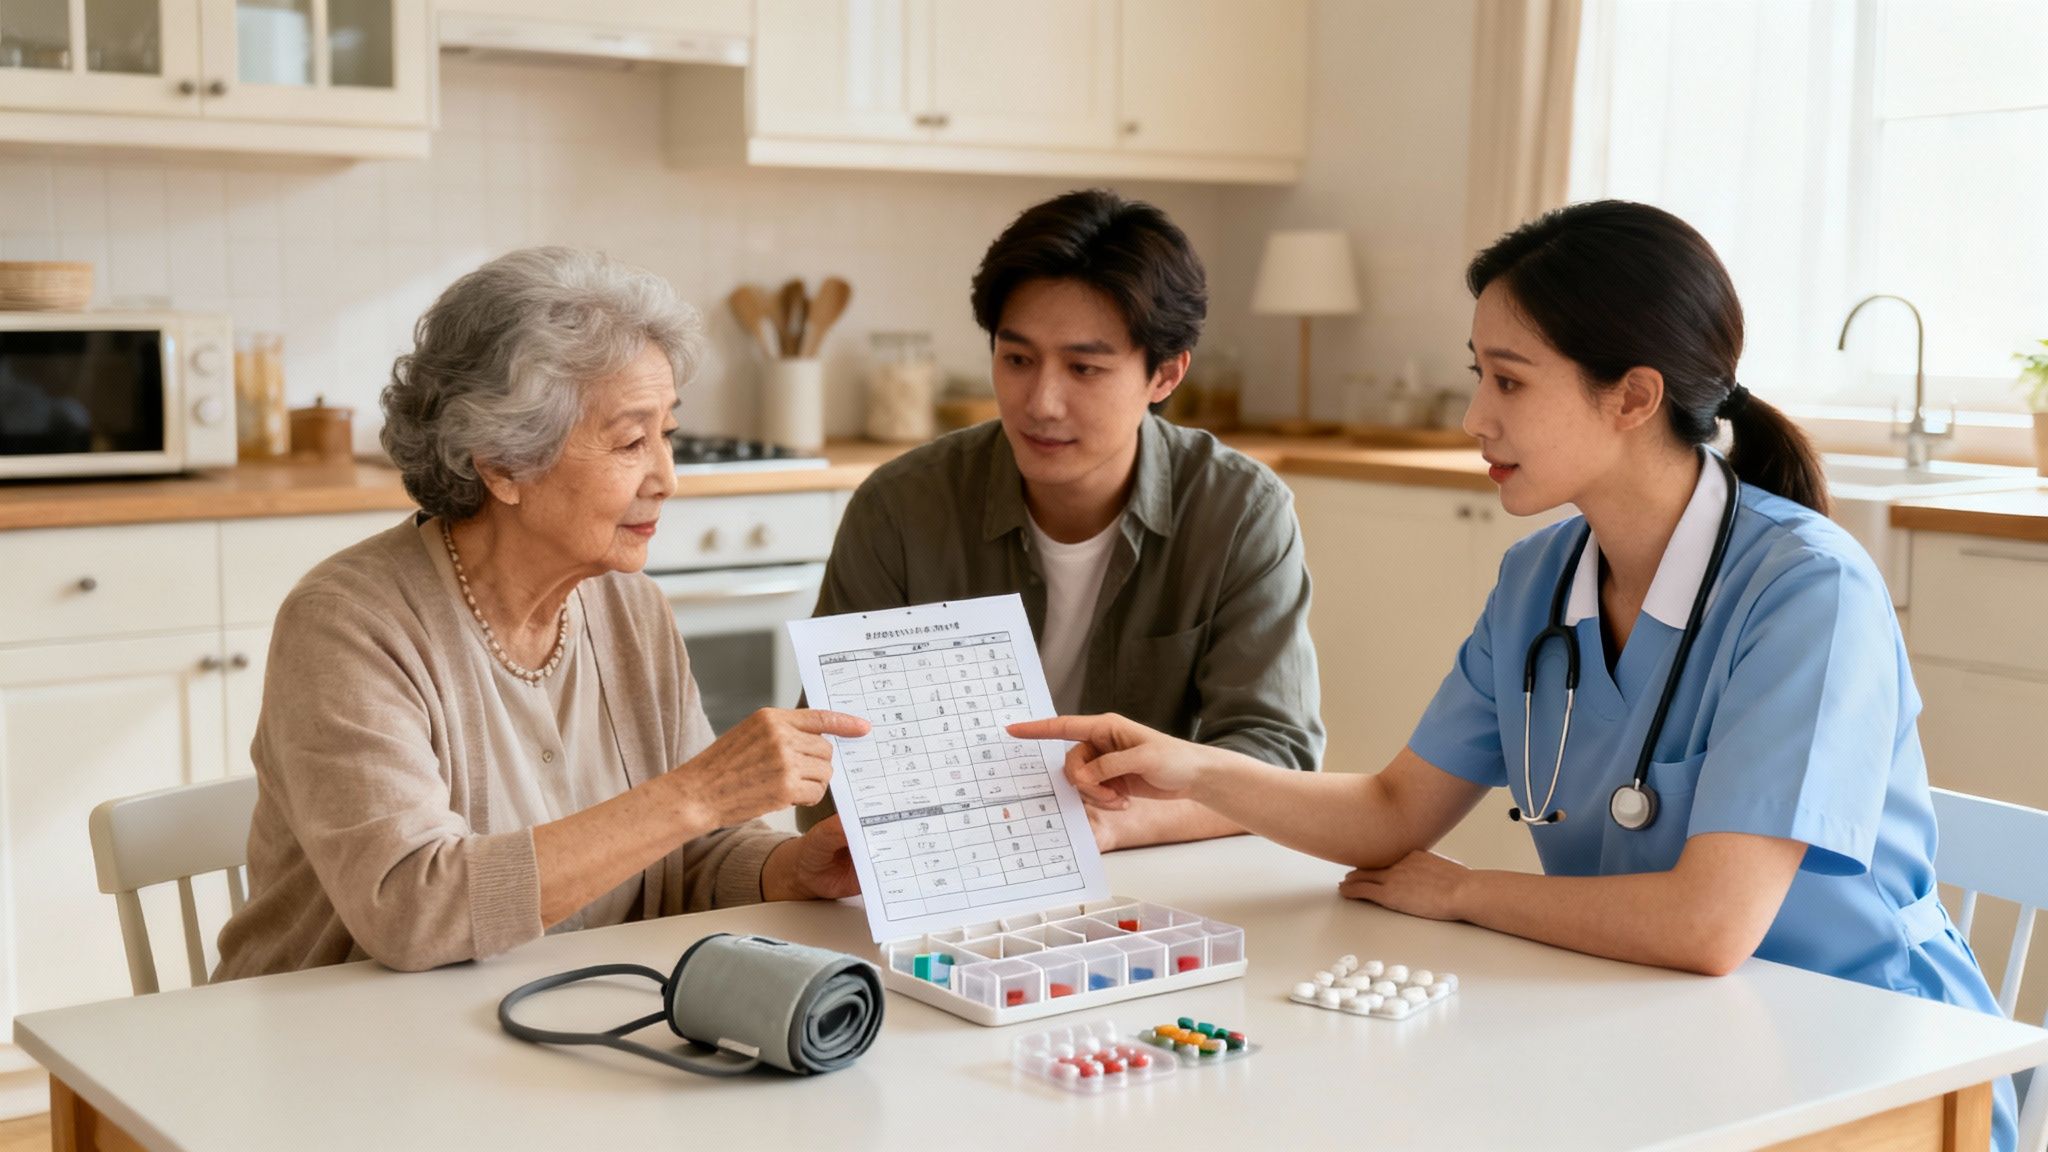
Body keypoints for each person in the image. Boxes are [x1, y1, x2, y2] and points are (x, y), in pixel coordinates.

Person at [1012, 200, 2016, 1149]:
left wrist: (1464, 895)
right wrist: (1187, 769)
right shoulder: (1540, 578)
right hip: (1647, 1021)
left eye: (1507, 380)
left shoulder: (1805, 591)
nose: (1470, 417)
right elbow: (1391, 807)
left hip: (1863, 1059)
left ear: (1630, 396)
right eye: (1476, 375)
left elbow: (1707, 926)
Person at [215, 247, 868, 979]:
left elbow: (689, 857)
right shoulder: (348, 625)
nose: (668, 478)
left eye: (668, 434)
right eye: (630, 441)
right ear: (501, 464)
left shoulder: (631, 609)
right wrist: (698, 793)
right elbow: (412, 909)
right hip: (330, 1049)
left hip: (554, 1025)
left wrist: (787, 869)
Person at [798, 188, 1322, 851]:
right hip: (946, 867)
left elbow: (1278, 758)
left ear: (1165, 374)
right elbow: (825, 766)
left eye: (1084, 368)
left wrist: (1113, 824)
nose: (1042, 403)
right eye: (1017, 359)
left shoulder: (1239, 511)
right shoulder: (900, 508)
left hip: (1161, 870)